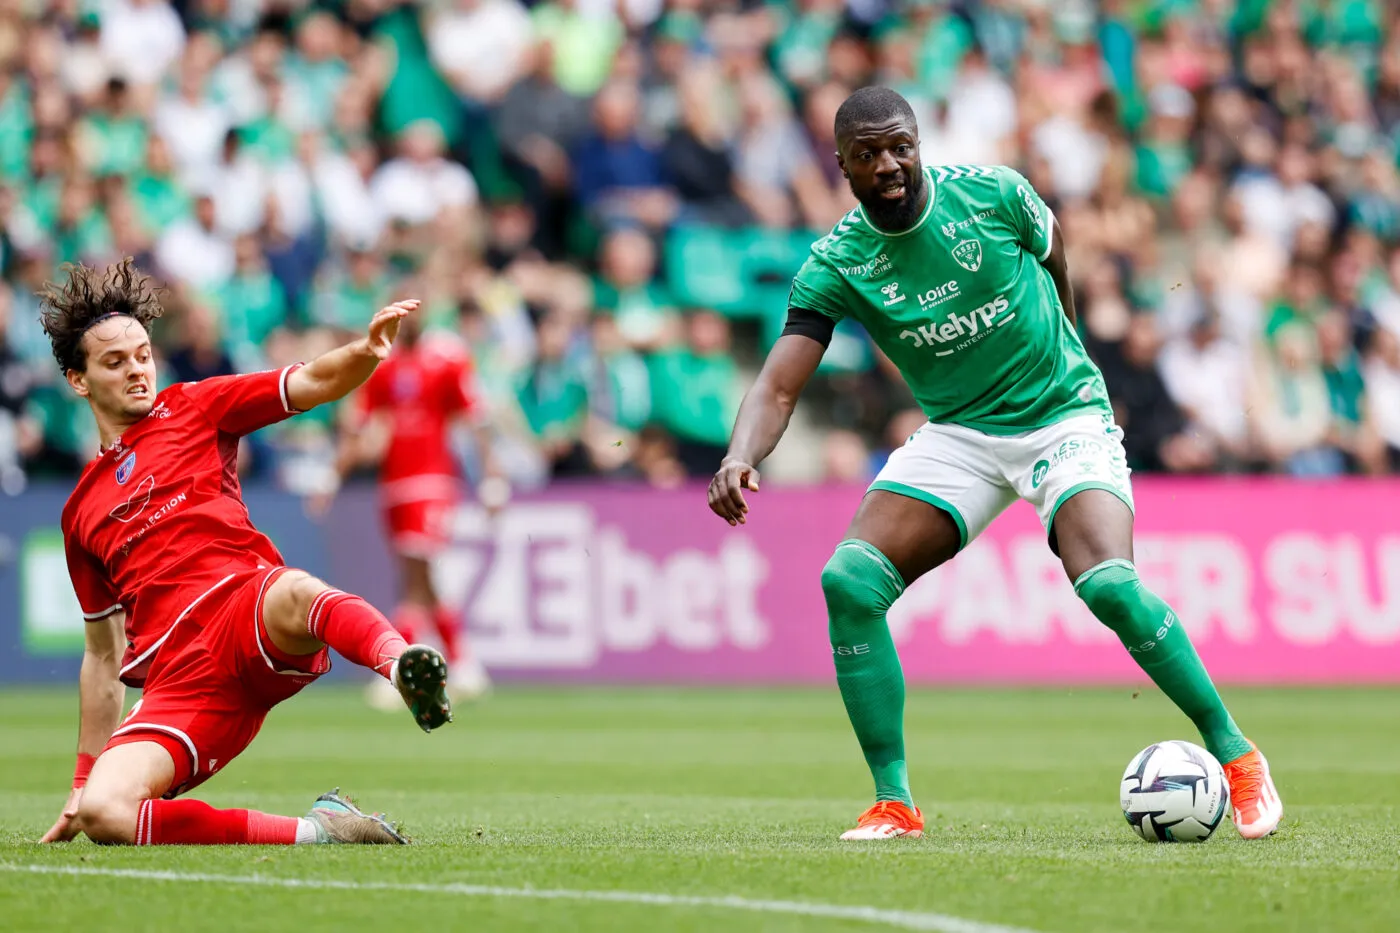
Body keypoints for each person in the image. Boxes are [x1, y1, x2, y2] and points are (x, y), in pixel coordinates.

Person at [708, 87, 1283, 842]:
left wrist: (1072, 345)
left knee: (1108, 582)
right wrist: (740, 455)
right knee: (848, 582)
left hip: (1063, 414)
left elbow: (1056, 255)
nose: (890, 164)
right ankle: (895, 801)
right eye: (869, 154)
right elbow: (781, 383)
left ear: (919, 142)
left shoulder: (992, 195)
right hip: (961, 433)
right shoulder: (838, 262)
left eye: (901, 146)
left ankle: (1237, 754)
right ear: (842, 165)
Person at [40, 258, 452, 847]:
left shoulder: (192, 406)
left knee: (298, 590)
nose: (137, 371)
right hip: (179, 681)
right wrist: (81, 785)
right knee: (106, 813)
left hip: (243, 607)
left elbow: (308, 382)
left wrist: (366, 350)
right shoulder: (79, 511)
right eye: (115, 362)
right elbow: (102, 660)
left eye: (142, 355)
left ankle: (400, 666)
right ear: (79, 381)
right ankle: (324, 833)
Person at [317, 311, 500, 704]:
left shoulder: (447, 362)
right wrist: (332, 475)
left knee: (418, 569)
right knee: (414, 572)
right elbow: (360, 424)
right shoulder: (385, 367)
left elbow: (476, 420)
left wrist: (491, 476)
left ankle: (399, 666)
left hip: (432, 479)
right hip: (394, 483)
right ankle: (462, 660)